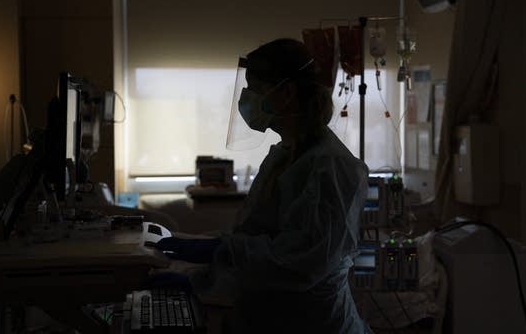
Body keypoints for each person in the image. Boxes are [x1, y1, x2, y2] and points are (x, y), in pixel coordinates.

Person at [155, 38, 371, 333]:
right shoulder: (284, 156)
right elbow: (255, 242)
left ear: (286, 93)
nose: (246, 99)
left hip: (315, 323)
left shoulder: (331, 167)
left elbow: (298, 262)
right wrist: (200, 279)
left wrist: (221, 251)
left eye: (254, 89)